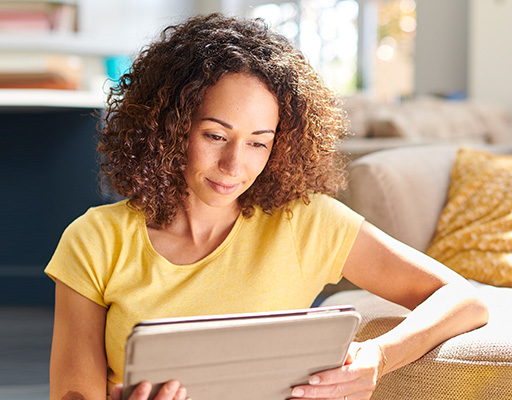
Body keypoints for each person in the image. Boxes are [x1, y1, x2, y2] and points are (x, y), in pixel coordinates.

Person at [46, 13, 488, 400]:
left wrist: (378, 355)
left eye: (258, 143)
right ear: (169, 128)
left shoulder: (308, 222)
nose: (234, 165)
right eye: (215, 136)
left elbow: (464, 298)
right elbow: (74, 394)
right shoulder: (95, 240)